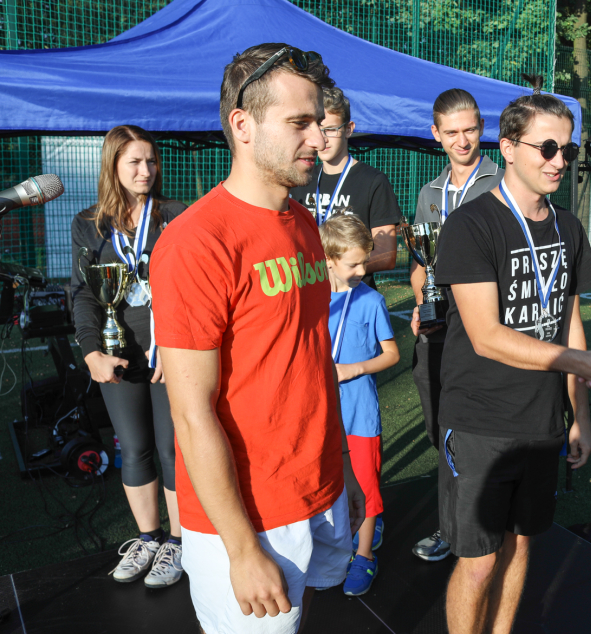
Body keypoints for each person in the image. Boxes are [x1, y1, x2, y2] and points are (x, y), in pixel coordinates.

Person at [151, 43, 365, 634]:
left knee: (305, 613)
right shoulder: (196, 242)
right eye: (299, 123)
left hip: (318, 485)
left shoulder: (304, 224)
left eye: (319, 122)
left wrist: (341, 468)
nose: (318, 139)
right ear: (242, 125)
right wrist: (241, 548)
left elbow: (311, 362)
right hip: (250, 517)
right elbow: (190, 414)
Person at [432, 93, 591, 634]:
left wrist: (580, 417)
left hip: (543, 422)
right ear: (507, 148)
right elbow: (487, 337)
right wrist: (584, 362)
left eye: (568, 150)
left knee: (520, 547)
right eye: (547, 147)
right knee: (479, 564)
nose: (559, 161)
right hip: (480, 422)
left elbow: (570, 320)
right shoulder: (472, 225)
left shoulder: (568, 227)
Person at [71, 124, 187, 588]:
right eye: (134, 162)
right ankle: (149, 538)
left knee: (172, 448)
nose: (145, 170)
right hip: (117, 355)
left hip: (170, 355)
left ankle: (178, 543)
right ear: (113, 166)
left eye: (151, 161)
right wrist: (91, 353)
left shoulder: (175, 215)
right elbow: (82, 294)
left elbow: (192, 289)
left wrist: (176, 346)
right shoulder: (89, 224)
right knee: (134, 448)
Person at [408, 88, 505, 562]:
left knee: (471, 433)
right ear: (436, 134)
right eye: (451, 132)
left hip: (481, 331)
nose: (461, 141)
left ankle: (462, 529)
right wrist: (420, 303)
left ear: (481, 128)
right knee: (439, 428)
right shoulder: (430, 192)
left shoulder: (502, 183)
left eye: (469, 130)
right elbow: (419, 262)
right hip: (437, 330)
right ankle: (457, 523)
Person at [319, 213, 400, 596]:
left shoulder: (371, 300)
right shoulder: (312, 299)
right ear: (328, 259)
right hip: (322, 413)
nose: (363, 271)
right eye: (354, 264)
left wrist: (354, 369)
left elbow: (392, 354)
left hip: (359, 415)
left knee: (366, 486)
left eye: (364, 262)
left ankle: (364, 555)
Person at [289, 86, 403, 289]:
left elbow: (386, 255)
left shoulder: (373, 181)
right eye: (317, 129)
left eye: (330, 129)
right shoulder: (301, 179)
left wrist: (335, 269)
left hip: (353, 297)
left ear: (348, 129)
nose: (322, 138)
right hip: (309, 291)